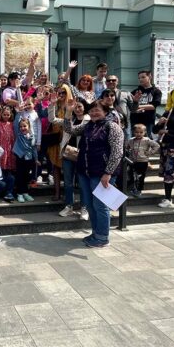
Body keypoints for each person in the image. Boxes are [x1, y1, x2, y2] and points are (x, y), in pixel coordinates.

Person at [63, 100, 124, 248]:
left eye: (97, 110)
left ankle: (102, 238)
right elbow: (70, 129)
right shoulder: (88, 125)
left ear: (105, 112)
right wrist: (69, 112)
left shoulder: (112, 127)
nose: (94, 113)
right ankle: (96, 233)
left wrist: (108, 173)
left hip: (102, 173)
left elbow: (117, 152)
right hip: (85, 171)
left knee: (100, 205)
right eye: (91, 110)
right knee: (90, 205)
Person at [49, 97, 90, 219]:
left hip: (83, 155)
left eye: (79, 106)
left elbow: (77, 132)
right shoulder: (69, 118)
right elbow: (52, 119)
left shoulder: (88, 120)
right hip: (68, 154)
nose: (77, 109)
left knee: (83, 183)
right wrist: (52, 105)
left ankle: (84, 207)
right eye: (75, 106)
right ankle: (69, 206)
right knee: (67, 182)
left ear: (84, 107)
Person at [0, 104, 16, 201]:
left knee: (9, 171)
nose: (6, 116)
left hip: (9, 149)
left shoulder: (12, 124)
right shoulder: (0, 124)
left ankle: (8, 192)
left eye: (8, 115)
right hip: (1, 148)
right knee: (0, 169)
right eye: (4, 114)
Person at [126, 124, 159, 197]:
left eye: (141, 132)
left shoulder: (147, 140)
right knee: (132, 175)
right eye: (136, 132)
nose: (139, 134)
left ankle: (139, 190)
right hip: (132, 161)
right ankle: (133, 188)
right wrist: (128, 152)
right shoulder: (131, 140)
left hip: (143, 161)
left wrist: (149, 153)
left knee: (140, 176)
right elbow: (126, 147)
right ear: (133, 132)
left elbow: (157, 146)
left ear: (144, 132)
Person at [13, 117, 38, 202]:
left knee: (27, 176)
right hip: (20, 157)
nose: (22, 128)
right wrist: (19, 112)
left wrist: (36, 159)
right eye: (21, 127)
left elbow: (34, 148)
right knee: (20, 176)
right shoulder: (19, 134)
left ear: (29, 126)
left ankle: (25, 193)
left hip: (29, 158)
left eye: (24, 126)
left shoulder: (32, 136)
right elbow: (16, 123)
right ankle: (19, 194)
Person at [130, 70, 162, 138]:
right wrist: (135, 108)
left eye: (143, 77)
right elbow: (130, 105)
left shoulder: (156, 91)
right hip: (135, 120)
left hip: (148, 121)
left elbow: (153, 106)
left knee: (147, 141)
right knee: (134, 141)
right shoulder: (135, 91)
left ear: (150, 76)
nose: (140, 79)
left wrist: (137, 106)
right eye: (139, 78)